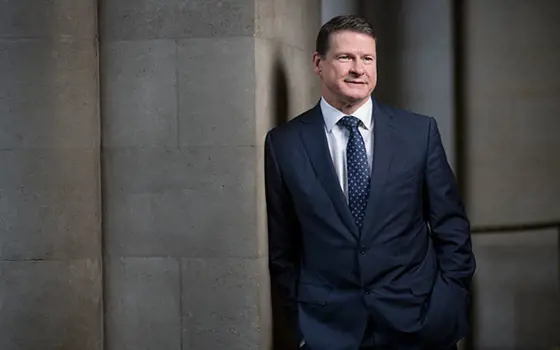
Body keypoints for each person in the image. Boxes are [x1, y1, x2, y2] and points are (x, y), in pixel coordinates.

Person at [264, 15, 476, 350]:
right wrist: (302, 327)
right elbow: (283, 249)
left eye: (367, 58)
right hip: (329, 332)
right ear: (319, 63)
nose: (358, 69)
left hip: (419, 325)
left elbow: (452, 228)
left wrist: (446, 309)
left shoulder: (418, 133)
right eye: (346, 57)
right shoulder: (284, 144)